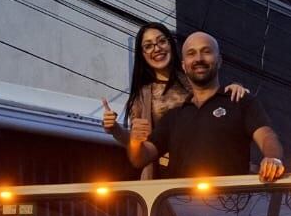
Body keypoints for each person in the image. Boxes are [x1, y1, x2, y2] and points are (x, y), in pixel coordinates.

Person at [126, 31, 285, 182]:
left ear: (219, 60)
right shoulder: (173, 117)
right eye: (191, 53)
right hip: (182, 208)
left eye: (206, 51)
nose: (199, 58)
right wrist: (135, 142)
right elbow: (140, 159)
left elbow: (266, 136)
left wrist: (272, 158)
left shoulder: (240, 101)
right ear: (184, 65)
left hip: (233, 206)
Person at [101, 22, 248, 179]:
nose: (157, 49)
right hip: (166, 178)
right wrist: (115, 129)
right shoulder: (143, 96)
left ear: (171, 44)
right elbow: (138, 142)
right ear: (142, 54)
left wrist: (235, 88)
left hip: (211, 166)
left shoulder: (194, 77)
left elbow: (217, 100)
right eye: (148, 46)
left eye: (162, 41)